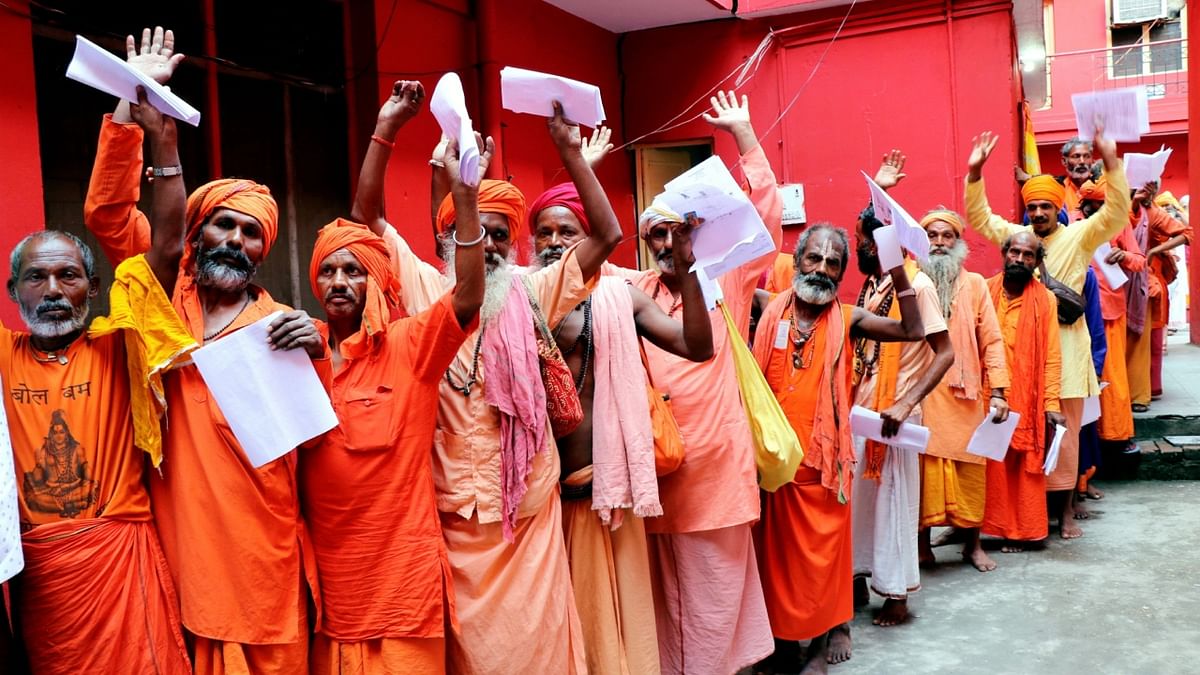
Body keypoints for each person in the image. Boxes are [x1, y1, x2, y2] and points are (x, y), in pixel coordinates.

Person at [82, 28, 330, 672]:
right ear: (196, 229)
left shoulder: (281, 327)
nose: (235, 240)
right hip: (177, 549)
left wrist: (320, 349)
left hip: (262, 555)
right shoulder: (163, 290)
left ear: (263, 249)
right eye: (223, 223)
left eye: (251, 233)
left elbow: (312, 439)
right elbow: (110, 214)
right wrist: (130, 104)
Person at [351, 85, 622, 673]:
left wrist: (572, 155)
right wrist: (386, 127)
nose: (492, 246)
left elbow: (605, 238)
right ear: (447, 238)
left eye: (503, 235)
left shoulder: (533, 291)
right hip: (452, 511)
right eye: (480, 233)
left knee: (539, 649)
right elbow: (368, 215)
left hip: (525, 513)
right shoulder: (426, 288)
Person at [3, 71, 193, 675]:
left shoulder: (120, 343)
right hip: (44, 581)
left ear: (94, 286)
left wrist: (142, 127)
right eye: (37, 278)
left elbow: (165, 247)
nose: (54, 290)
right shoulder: (2, 356)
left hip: (121, 567)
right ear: (14, 292)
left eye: (69, 276)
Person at [300, 133, 489, 673]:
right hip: (331, 587)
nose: (339, 281)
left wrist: (466, 196)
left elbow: (469, 297)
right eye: (329, 271)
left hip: (403, 584)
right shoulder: (300, 350)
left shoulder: (410, 344)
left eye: (353, 271)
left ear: (377, 282)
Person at [529, 181, 714, 675]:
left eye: (566, 231)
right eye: (543, 232)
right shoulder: (516, 300)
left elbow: (698, 347)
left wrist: (687, 269)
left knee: (619, 627)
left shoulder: (619, 298)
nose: (553, 241)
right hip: (540, 503)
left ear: (588, 238)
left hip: (608, 492)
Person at [632, 91, 780, 674]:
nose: (668, 246)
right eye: (656, 236)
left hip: (716, 473)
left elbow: (766, 215)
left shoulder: (726, 279)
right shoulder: (636, 288)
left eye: (677, 234)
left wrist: (744, 134)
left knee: (717, 597)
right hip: (658, 470)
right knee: (665, 602)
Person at [752, 223, 926, 673]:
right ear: (798, 258)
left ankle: (821, 640)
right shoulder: (769, 308)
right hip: (774, 466)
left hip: (824, 467)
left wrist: (898, 270)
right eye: (814, 258)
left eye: (834, 263)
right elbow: (717, 295)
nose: (822, 269)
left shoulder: (849, 318)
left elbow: (912, 329)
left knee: (824, 561)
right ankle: (785, 642)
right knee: (776, 563)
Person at [963, 123, 1129, 539]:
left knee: (1067, 433)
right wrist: (975, 174)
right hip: (1022, 350)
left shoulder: (1077, 236)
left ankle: (1067, 511)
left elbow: (1114, 214)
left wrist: (1110, 164)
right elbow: (980, 217)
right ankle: (1019, 511)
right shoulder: (1017, 240)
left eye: (1045, 207)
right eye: (1032, 206)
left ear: (1058, 209)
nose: (1038, 213)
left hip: (1067, 346)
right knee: (1020, 430)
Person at [847, 204, 954, 629]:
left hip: (895, 420)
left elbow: (945, 354)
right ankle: (858, 576)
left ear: (883, 246)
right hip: (863, 411)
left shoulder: (919, 286)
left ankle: (896, 596)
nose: (856, 247)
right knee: (858, 506)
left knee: (893, 508)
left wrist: (907, 403)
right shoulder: (875, 284)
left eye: (861, 242)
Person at [913, 209, 1009, 573]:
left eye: (946, 236)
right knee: (923, 472)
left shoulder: (976, 284)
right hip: (924, 390)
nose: (939, 243)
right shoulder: (912, 281)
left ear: (958, 242)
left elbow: (992, 339)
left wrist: (999, 390)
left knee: (972, 469)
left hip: (965, 393)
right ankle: (923, 547)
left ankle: (972, 545)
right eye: (932, 236)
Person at [982, 232, 1064, 550]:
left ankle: (1019, 530)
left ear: (1037, 261)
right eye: (1014, 252)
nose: (1019, 259)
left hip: (1025, 394)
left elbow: (1053, 356)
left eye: (1027, 255)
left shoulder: (1045, 299)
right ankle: (980, 527)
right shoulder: (984, 290)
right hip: (987, 389)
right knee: (987, 463)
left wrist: (1051, 402)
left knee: (1018, 465)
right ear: (1004, 253)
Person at [1079, 178, 1143, 483]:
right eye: (1095, 206)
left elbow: (1139, 261)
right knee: (1088, 377)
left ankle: (1115, 436)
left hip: (1111, 311)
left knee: (1113, 378)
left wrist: (1125, 256)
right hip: (1080, 313)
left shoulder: (1120, 226)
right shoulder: (1076, 226)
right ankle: (1091, 442)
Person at [1125, 181, 1192, 410]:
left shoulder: (1153, 212)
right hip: (1119, 280)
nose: (1146, 193)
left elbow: (1187, 233)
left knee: (1144, 342)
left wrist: (1155, 250)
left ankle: (1142, 392)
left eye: (1150, 189)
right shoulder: (1120, 208)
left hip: (1146, 281)